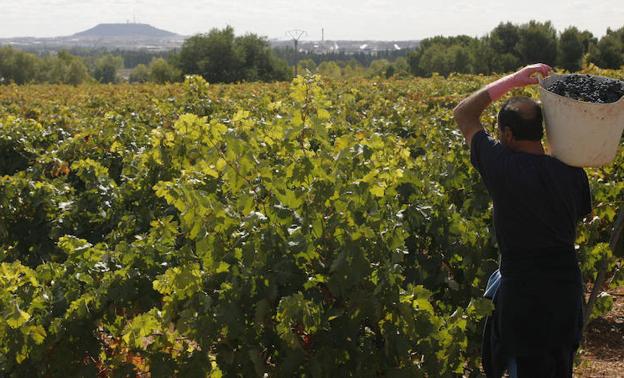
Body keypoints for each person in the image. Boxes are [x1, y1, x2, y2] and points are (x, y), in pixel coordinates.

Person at [453, 63, 592, 378]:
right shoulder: (572, 172)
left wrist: (514, 80)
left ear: (507, 134)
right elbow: (584, 214)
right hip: (565, 295)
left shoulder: (502, 167)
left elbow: (464, 113)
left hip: (524, 300)